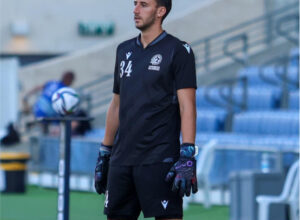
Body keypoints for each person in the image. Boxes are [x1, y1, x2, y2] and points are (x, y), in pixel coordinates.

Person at [94, 0, 198, 219]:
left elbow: (187, 106)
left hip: (159, 159)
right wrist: (105, 150)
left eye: (143, 5)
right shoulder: (123, 50)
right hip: (122, 160)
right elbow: (116, 104)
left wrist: (187, 152)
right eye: (135, 4)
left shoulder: (179, 51)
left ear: (160, 11)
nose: (135, 10)